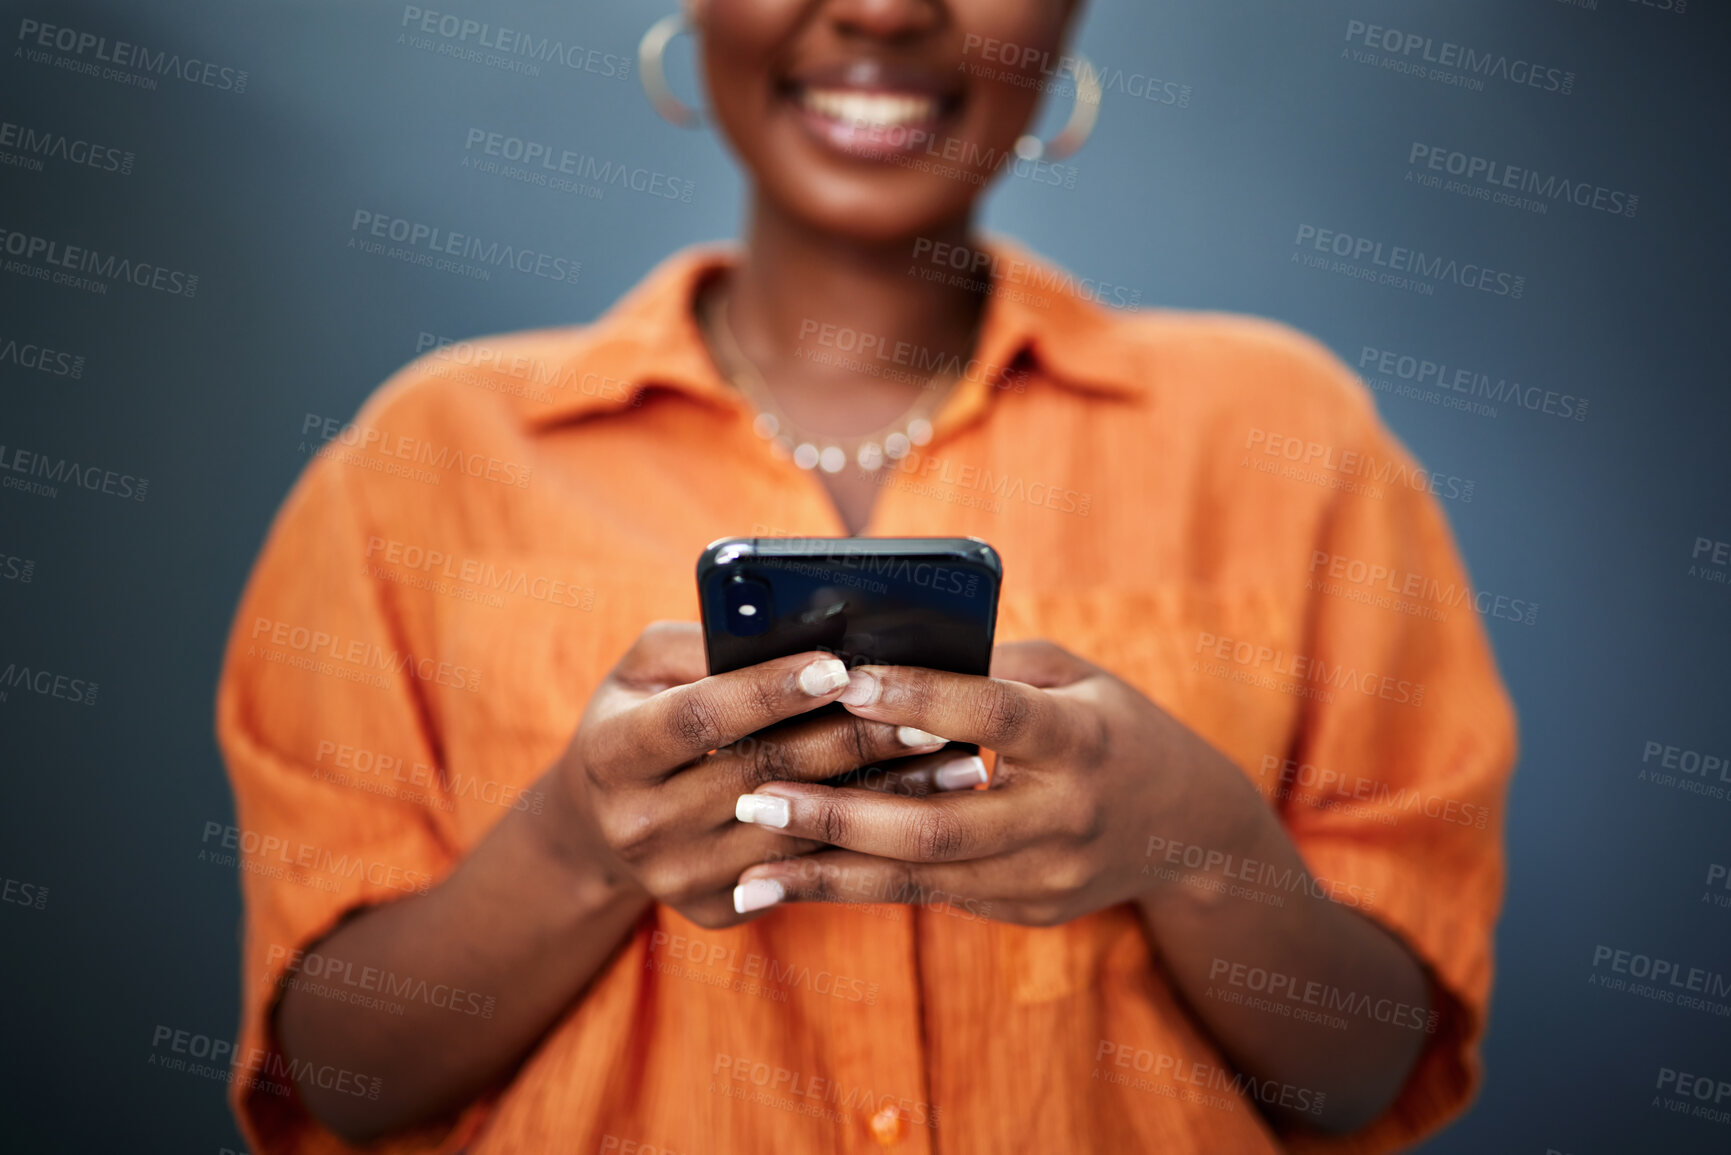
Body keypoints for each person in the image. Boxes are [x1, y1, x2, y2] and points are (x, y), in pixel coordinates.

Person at [216, 1, 1517, 1152]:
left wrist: (1197, 845)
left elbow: (1364, 1071)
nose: (884, 10)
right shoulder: (428, 462)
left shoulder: (1286, 440)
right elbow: (343, 1079)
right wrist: (573, 848)